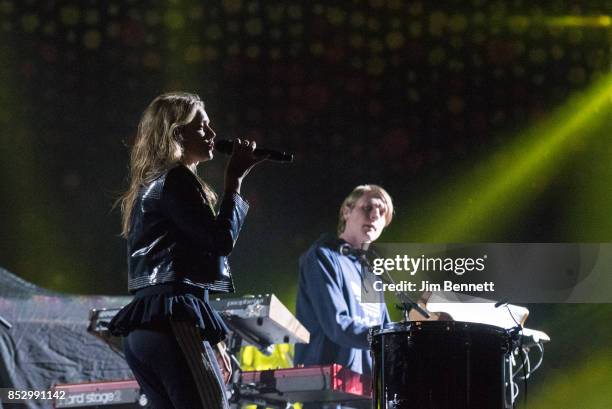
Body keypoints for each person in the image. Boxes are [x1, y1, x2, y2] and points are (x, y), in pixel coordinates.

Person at [108, 92, 264, 409]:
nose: (212, 135)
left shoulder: (150, 184)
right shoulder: (177, 179)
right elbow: (219, 242)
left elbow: (186, 268)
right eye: (202, 127)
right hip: (172, 325)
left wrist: (211, 339)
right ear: (177, 133)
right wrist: (233, 182)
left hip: (146, 329)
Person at [295, 185, 393, 378]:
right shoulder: (323, 256)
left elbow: (386, 331)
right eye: (368, 207)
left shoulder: (371, 274)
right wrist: (390, 339)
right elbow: (337, 325)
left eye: (382, 213)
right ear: (346, 211)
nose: (375, 215)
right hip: (328, 391)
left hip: (367, 390)